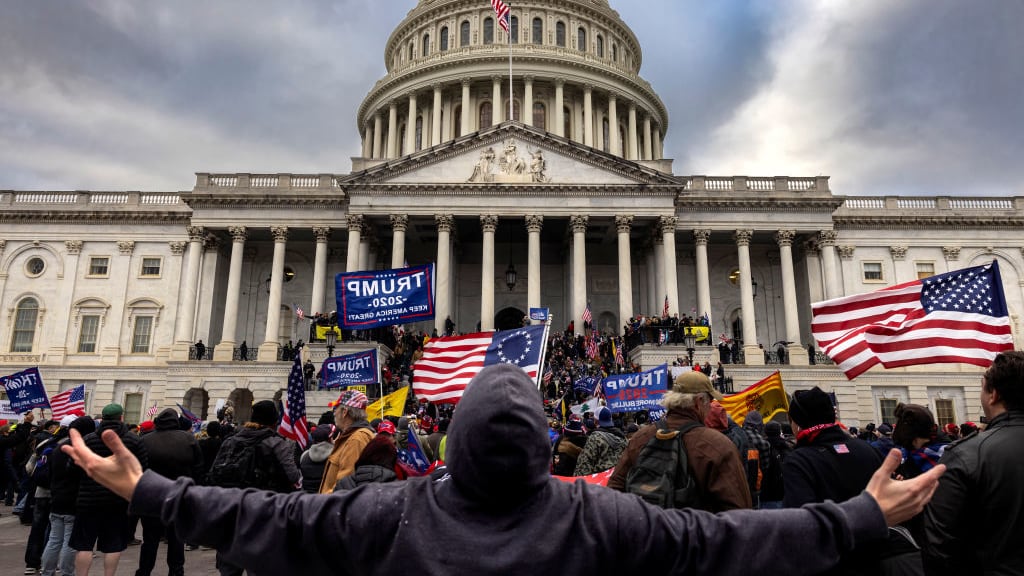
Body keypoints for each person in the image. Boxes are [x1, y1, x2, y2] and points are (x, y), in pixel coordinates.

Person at [62, 363, 945, 576]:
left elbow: (264, 521)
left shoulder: (393, 513)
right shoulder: (598, 517)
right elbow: (725, 545)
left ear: (449, 447)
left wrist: (146, 489)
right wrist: (860, 518)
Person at [923, 351, 1024, 574]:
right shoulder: (967, 453)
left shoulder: (965, 455)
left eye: (982, 387)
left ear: (993, 395)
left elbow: (940, 546)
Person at [609, 371, 752, 512]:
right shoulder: (717, 445)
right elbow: (740, 513)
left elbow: (614, 492)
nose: (710, 407)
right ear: (699, 402)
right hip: (693, 533)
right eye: (710, 401)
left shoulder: (641, 437)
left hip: (645, 530)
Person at [783, 387, 888, 575]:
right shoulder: (868, 449)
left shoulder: (799, 460)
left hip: (829, 563)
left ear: (797, 423)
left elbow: (799, 526)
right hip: (874, 558)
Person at [207, 400, 300, 576]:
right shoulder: (276, 442)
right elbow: (293, 476)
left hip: (231, 508)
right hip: (262, 509)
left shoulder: (231, 440)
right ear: (274, 420)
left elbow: (215, 472)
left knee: (229, 566)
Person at [70, 403, 149, 576]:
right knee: (113, 544)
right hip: (118, 500)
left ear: (103, 418)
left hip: (88, 499)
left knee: (84, 544)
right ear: (121, 417)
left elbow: (73, 467)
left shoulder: (88, 439)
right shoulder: (134, 440)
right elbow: (141, 469)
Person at [135, 408, 204, 576]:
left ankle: (144, 572)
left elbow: (138, 469)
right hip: (179, 496)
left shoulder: (145, 440)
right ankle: (176, 572)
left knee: (150, 540)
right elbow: (199, 469)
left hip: (152, 496)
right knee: (176, 539)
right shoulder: (188, 439)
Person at [42, 415, 95, 576]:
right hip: (74, 501)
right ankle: (66, 572)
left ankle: (47, 571)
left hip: (57, 498)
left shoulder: (59, 447)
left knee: (54, 540)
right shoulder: (83, 450)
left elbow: (50, 474)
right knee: (69, 542)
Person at [318, 390, 374, 493]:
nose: (334, 412)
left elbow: (344, 487)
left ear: (344, 412)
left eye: (336, 408)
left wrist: (320, 503)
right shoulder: (353, 436)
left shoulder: (356, 439)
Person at [573, 407, 626, 476]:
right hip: (617, 480)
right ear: (611, 419)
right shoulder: (623, 437)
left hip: (600, 481)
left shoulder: (595, 438)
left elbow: (584, 464)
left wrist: (580, 483)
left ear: (595, 421)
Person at [299, 427, 333, 493]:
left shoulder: (304, 456)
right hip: (328, 498)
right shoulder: (336, 456)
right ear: (329, 439)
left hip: (307, 497)